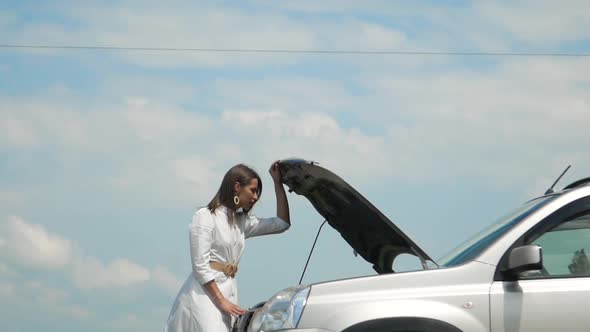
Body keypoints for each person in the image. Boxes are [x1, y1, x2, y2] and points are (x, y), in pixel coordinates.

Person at [165, 161, 291, 332]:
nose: (256, 197)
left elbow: (282, 223)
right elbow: (200, 267)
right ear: (237, 187)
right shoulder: (205, 217)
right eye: (253, 191)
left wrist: (278, 183)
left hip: (228, 296)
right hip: (203, 297)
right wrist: (221, 301)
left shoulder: (241, 222)